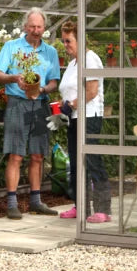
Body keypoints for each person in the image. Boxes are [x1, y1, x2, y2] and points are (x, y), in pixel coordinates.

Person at [0, 7, 61, 219]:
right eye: (32, 26)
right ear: (25, 26)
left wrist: (42, 89)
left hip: (40, 105)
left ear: (44, 27)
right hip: (17, 103)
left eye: (39, 26)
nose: (36, 30)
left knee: (38, 155)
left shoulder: (50, 52)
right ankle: (12, 203)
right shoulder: (12, 47)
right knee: (16, 155)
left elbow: (53, 82)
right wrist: (15, 78)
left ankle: (35, 201)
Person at [55, 20, 112, 223]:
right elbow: (70, 91)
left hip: (89, 117)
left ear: (80, 39)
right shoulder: (73, 63)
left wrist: (72, 104)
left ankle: (103, 209)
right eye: (63, 41)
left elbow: (92, 91)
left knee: (92, 161)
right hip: (74, 118)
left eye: (68, 40)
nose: (65, 45)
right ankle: (81, 205)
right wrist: (62, 106)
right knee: (76, 163)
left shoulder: (90, 59)